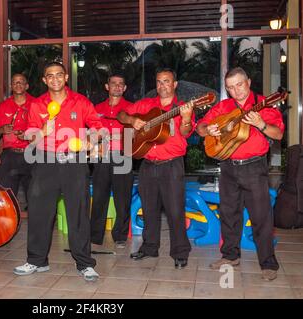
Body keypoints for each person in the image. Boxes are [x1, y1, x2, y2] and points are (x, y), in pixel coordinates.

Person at [13, 62, 104, 281]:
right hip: (46, 161)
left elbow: (99, 127)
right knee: (39, 213)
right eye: (50, 76)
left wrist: (89, 142)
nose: (55, 79)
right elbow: (29, 138)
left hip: (75, 161)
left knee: (79, 213)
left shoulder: (80, 101)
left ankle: (84, 263)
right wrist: (43, 131)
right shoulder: (37, 105)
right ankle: (36, 260)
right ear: (44, 80)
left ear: (65, 78)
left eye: (59, 75)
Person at [196, 67, 284, 281]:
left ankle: (268, 263)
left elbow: (278, 134)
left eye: (239, 85)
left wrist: (260, 124)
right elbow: (200, 126)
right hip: (227, 166)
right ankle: (230, 256)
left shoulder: (265, 104)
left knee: (261, 217)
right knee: (228, 213)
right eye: (230, 88)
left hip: (254, 167)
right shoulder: (224, 106)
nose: (236, 91)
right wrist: (209, 130)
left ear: (249, 82)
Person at [117, 68, 193, 269]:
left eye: (166, 81)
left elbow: (186, 133)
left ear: (175, 84)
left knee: (175, 211)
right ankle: (150, 247)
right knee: (149, 209)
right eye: (159, 82)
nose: (162, 86)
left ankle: (180, 252)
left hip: (172, 165)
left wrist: (185, 119)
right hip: (148, 164)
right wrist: (133, 120)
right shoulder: (146, 104)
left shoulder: (183, 107)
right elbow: (121, 115)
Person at [90, 73, 134, 249]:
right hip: (101, 156)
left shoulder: (132, 108)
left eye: (120, 84)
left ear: (124, 88)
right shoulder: (96, 108)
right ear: (107, 87)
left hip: (123, 155)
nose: (117, 86)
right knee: (99, 197)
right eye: (113, 83)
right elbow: (91, 131)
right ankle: (95, 235)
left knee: (122, 199)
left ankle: (120, 235)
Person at [0, 74, 34, 207]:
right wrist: (1, 130)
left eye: (21, 82)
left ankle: (35, 227)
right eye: (15, 82)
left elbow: (45, 130)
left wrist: (27, 135)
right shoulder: (3, 106)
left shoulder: (36, 104)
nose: (18, 84)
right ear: (11, 86)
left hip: (32, 153)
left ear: (27, 85)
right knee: (6, 197)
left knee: (35, 197)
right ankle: (8, 227)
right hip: (9, 156)